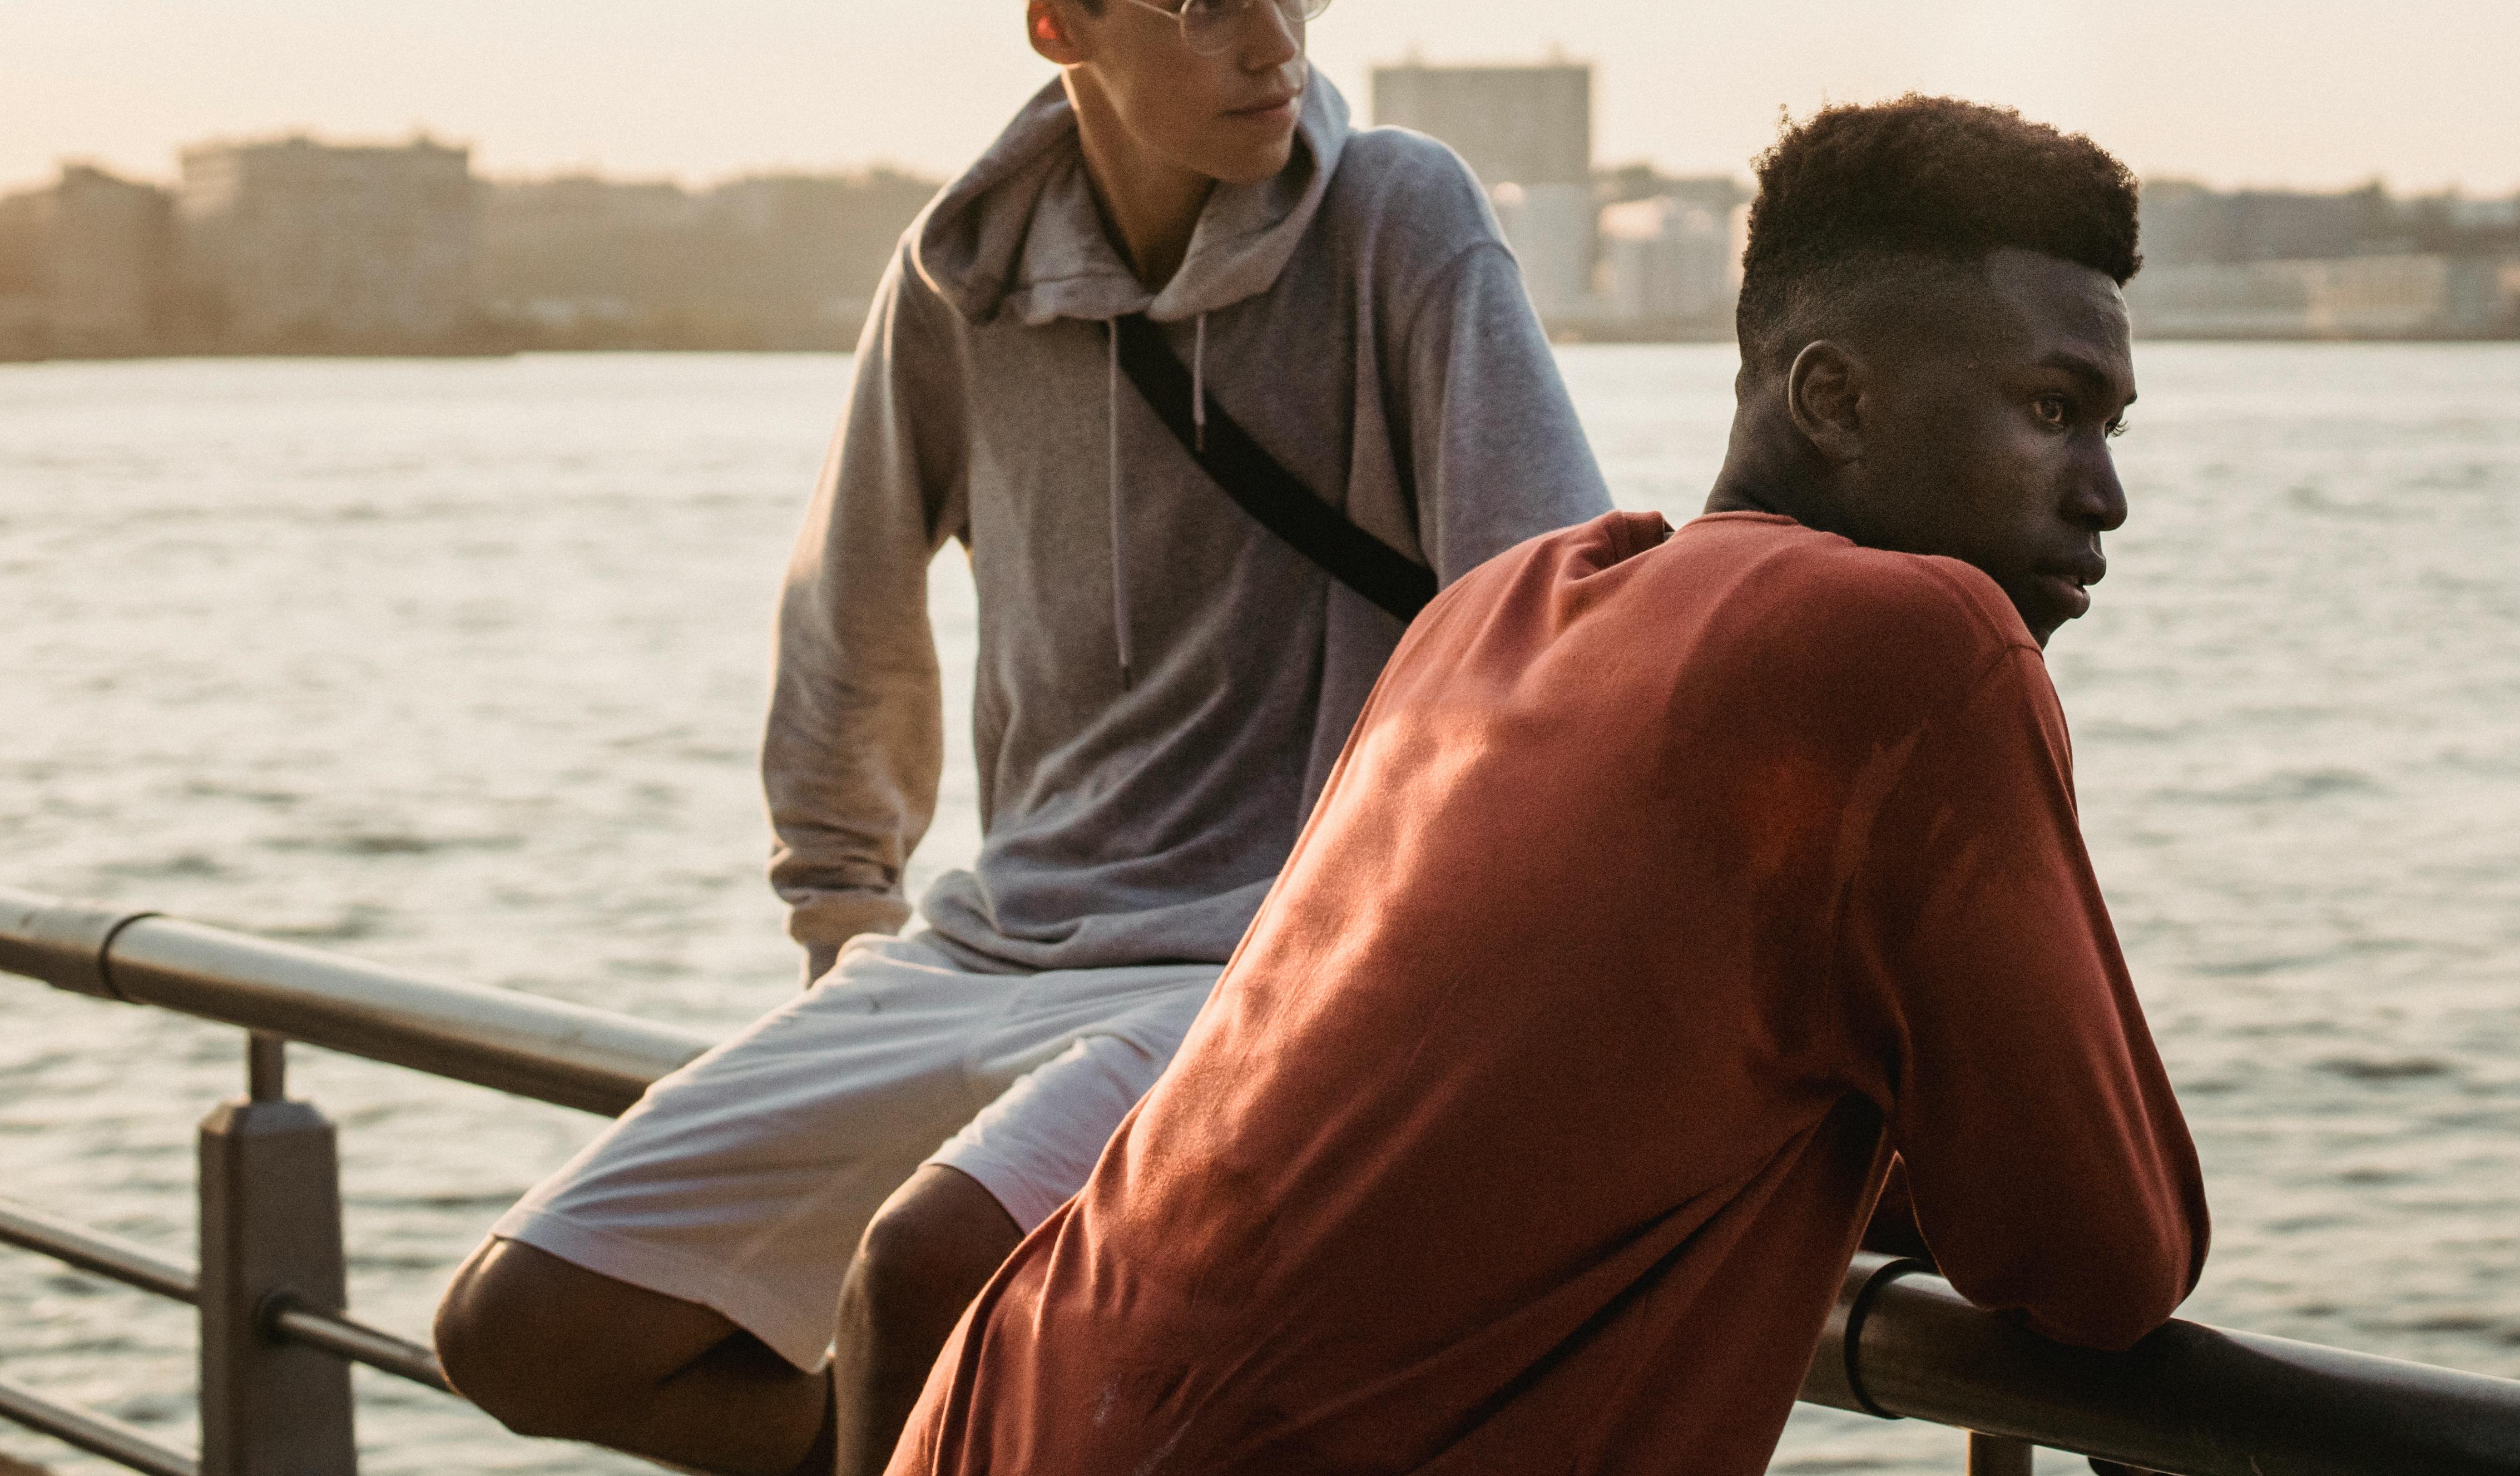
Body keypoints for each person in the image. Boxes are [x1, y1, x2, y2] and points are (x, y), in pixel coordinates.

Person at [430, 0, 1610, 1476]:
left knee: (924, 1279)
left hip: (1271, 956)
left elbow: (1552, 630)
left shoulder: (1401, 221)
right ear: (1059, 23)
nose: (1270, 46)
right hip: (986, 950)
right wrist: (842, 910)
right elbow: (853, 613)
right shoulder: (962, 275)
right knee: (521, 1329)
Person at [892, 95, 2209, 1475]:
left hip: (1009, 1409)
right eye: (2054, 411)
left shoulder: (1491, 609)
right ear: (1836, 398)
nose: (2106, 492)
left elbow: (1518, 1102)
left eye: (2111, 426)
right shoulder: (1916, 643)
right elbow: (2110, 1256)